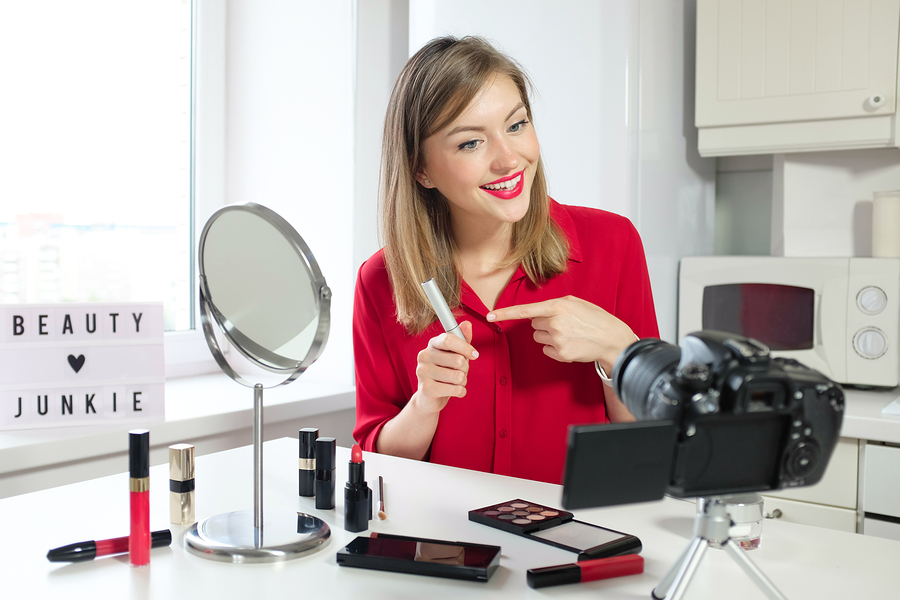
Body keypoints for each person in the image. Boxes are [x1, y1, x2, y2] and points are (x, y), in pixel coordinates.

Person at [353, 36, 659, 484]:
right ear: (421, 170)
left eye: (516, 126)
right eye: (470, 143)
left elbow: (649, 443)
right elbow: (374, 460)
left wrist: (618, 351)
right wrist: (425, 404)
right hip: (446, 545)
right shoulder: (380, 280)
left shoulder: (613, 244)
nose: (508, 159)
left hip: (579, 542)